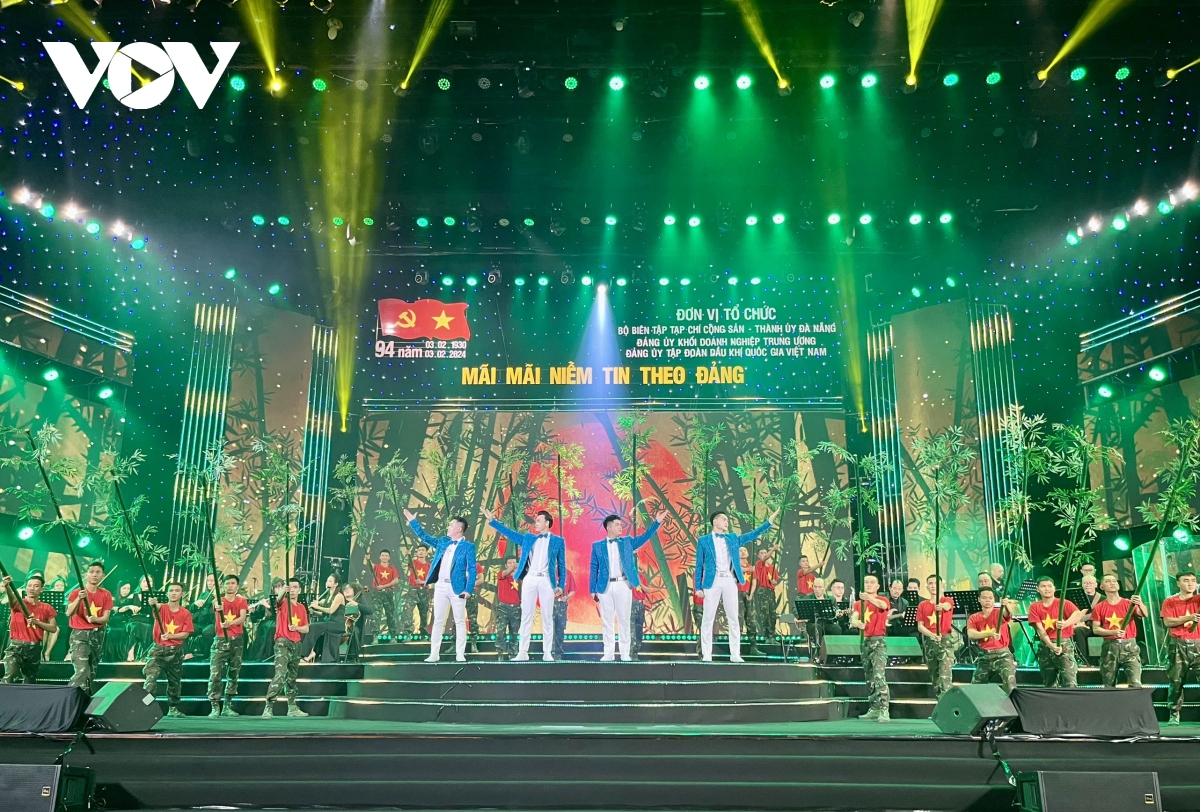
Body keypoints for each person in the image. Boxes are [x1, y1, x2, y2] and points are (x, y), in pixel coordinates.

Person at [484, 507, 568, 661]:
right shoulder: (529, 538)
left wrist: (561, 585)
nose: (536, 523)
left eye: (539, 521)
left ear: (547, 523)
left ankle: (547, 653)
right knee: (526, 615)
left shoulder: (558, 541)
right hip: (530, 578)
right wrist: (492, 521)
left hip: (546, 580)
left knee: (547, 616)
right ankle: (522, 652)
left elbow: (562, 565)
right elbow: (510, 534)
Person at [694, 510, 776, 662]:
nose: (727, 522)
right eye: (724, 519)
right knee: (708, 618)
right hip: (712, 581)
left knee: (733, 618)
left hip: (729, 580)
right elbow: (699, 565)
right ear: (715, 521)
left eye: (727, 520)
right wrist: (697, 587)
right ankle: (706, 654)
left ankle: (735, 654)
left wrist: (768, 523)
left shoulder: (731, 538)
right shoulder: (704, 540)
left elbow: (751, 535)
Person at [589, 511, 666, 662]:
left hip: (623, 584)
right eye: (617, 524)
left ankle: (625, 653)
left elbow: (645, 537)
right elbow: (593, 567)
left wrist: (656, 522)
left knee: (624, 620)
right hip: (604, 587)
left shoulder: (627, 542)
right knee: (607, 621)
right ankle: (609, 653)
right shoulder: (597, 546)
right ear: (608, 528)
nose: (620, 527)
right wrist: (592, 589)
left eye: (621, 524)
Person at [404, 510, 479, 663]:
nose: (448, 527)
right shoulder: (444, 542)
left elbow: (472, 569)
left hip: (457, 588)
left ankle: (460, 654)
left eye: (451, 525)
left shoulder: (468, 546)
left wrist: (468, 589)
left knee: (459, 621)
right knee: (438, 620)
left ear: (459, 529)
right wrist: (413, 522)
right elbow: (425, 537)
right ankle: (434, 654)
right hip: (440, 586)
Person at [143, 582, 193, 718]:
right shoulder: (162, 608)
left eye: (177, 591)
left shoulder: (185, 613)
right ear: (167, 594)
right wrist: (153, 603)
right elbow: (155, 605)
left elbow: (185, 634)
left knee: (174, 682)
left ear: (182, 594)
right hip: (158, 650)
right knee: (150, 681)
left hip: (175, 651)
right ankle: (145, 708)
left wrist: (170, 636)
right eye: (171, 591)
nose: (174, 593)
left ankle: (173, 708)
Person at [263, 578, 310, 718]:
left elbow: (306, 628)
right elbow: (278, 599)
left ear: (299, 590)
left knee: (292, 677)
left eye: (295, 587)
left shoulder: (301, 607)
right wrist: (284, 590)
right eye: (291, 587)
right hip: (283, 642)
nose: (293, 590)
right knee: (280, 674)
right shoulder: (283, 603)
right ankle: (269, 706)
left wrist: (296, 628)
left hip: (296, 643)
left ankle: (292, 707)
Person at [1025, 576, 1085, 688]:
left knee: (1069, 681)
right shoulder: (1034, 606)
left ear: (1054, 588)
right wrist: (1051, 645)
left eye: (1049, 586)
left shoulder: (1064, 603)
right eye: (1043, 586)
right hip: (1045, 645)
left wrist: (1065, 623)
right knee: (1049, 683)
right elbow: (1040, 630)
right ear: (1037, 589)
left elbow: (1077, 614)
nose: (1046, 589)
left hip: (1064, 644)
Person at [66, 561, 113, 694]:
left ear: (103, 575)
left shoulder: (106, 594)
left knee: (92, 671)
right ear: (86, 574)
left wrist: (95, 619)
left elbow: (105, 618)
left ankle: (85, 699)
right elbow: (69, 612)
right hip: (80, 635)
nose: (94, 575)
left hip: (98, 635)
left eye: (98, 572)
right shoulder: (76, 593)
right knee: (82, 670)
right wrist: (79, 599)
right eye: (91, 572)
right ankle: (70, 697)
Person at [1091, 574, 1146, 689]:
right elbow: (1096, 629)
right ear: (1101, 587)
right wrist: (1112, 633)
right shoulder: (1099, 607)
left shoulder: (1128, 603)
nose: (1112, 583)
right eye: (1108, 581)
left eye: (1114, 581)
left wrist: (1140, 603)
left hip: (1130, 647)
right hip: (1110, 647)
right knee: (1108, 684)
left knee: (1135, 683)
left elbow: (1144, 614)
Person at [1160, 570, 1200, 725]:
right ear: (1178, 583)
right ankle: (1174, 714)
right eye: (1186, 580)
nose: (1190, 583)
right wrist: (1189, 617)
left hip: (1198, 643)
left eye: (1193, 580)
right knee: (1176, 681)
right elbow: (1168, 622)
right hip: (1178, 644)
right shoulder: (1170, 601)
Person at [1, 573, 57, 683]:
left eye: (36, 586)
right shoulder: (18, 603)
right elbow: (12, 599)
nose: (32, 588)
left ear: (42, 589)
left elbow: (53, 628)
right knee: (11, 675)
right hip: (17, 647)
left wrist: (37, 622)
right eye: (29, 585)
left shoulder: (47, 608)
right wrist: (8, 586)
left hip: (34, 648)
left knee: (30, 680)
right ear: (26, 587)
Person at [850, 573, 891, 722]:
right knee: (870, 677)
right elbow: (854, 618)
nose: (868, 584)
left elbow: (883, 606)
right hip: (865, 641)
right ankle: (874, 708)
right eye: (866, 582)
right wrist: (857, 623)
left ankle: (884, 709)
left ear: (877, 586)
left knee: (879, 676)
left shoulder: (882, 599)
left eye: (872, 582)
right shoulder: (858, 603)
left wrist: (869, 598)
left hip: (878, 641)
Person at [208, 574, 249, 717]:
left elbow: (242, 618)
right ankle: (214, 705)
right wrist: (218, 607)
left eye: (233, 583)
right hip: (220, 640)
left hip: (237, 640)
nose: (230, 586)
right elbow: (216, 606)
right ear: (223, 586)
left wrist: (229, 623)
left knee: (233, 673)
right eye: (227, 583)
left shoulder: (242, 601)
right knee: (215, 674)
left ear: (237, 586)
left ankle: (227, 706)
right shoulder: (218, 600)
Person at [916, 575, 960, 698]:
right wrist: (932, 635)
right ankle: (940, 703)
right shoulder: (922, 605)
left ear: (942, 585)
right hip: (930, 642)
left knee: (945, 675)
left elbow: (947, 606)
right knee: (934, 676)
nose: (933, 586)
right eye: (930, 583)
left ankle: (947, 704)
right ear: (927, 586)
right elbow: (920, 626)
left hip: (945, 641)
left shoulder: (947, 600)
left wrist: (941, 606)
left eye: (936, 583)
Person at [967, 587, 1018, 693]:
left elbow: (1009, 613)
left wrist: (1006, 604)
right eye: (984, 598)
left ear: (994, 599)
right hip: (984, 656)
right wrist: (989, 633)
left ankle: (1011, 703)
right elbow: (971, 634)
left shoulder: (999, 613)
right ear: (979, 599)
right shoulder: (974, 617)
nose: (988, 600)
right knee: (975, 688)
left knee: (1010, 682)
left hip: (1002, 655)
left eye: (990, 598)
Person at [303, 573, 346, 663]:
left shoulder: (339, 596)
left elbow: (331, 611)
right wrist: (313, 611)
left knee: (312, 627)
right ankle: (312, 652)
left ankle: (306, 654)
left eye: (330, 581)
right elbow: (323, 614)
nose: (327, 583)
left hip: (337, 624)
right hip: (329, 623)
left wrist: (317, 606)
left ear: (336, 584)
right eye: (327, 581)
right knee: (311, 626)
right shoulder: (328, 596)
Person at [749, 546, 782, 646]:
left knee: (772, 614)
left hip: (771, 591)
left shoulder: (772, 567)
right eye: (762, 553)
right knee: (765, 614)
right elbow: (765, 559)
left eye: (765, 552)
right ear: (758, 555)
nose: (764, 554)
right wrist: (772, 550)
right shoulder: (759, 564)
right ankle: (767, 636)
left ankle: (772, 635)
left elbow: (776, 581)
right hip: (762, 590)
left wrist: (774, 582)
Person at [493, 557, 521, 659]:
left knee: (514, 633)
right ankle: (500, 653)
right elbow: (506, 572)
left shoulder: (520, 577)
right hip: (503, 608)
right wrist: (514, 567)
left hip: (516, 608)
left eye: (514, 562)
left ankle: (512, 654)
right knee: (501, 632)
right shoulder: (501, 574)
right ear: (506, 565)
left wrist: (519, 569)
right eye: (510, 563)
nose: (512, 564)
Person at [370, 550, 401, 639]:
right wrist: (367, 559)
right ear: (380, 557)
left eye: (386, 555)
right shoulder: (376, 566)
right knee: (375, 615)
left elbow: (396, 581)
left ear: (389, 557)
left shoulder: (392, 568)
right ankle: (375, 636)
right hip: (377, 594)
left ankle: (393, 636)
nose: (384, 557)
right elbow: (370, 566)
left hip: (388, 593)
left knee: (390, 614)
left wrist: (384, 586)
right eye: (382, 555)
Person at [402, 546, 432, 636]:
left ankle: (423, 631)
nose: (421, 552)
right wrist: (408, 555)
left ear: (426, 553)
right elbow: (410, 562)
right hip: (413, 589)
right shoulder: (414, 562)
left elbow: (432, 579)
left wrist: (422, 582)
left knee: (424, 612)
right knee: (408, 609)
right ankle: (408, 631)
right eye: (419, 550)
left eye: (423, 550)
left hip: (424, 591)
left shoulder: (429, 566)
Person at [189, 574, 218, 661]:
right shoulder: (204, 594)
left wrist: (215, 601)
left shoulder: (221, 595)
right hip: (199, 623)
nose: (209, 583)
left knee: (207, 632)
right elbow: (191, 609)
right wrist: (195, 604)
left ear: (219, 582)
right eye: (208, 580)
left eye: (212, 581)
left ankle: (207, 656)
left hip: (212, 623)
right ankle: (187, 653)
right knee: (184, 629)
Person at [1074, 574, 1102, 665]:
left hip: (1098, 626)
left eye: (1090, 583)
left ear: (1096, 585)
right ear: (1082, 585)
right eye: (1085, 583)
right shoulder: (1075, 598)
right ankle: (1081, 660)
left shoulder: (1103, 599)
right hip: (1080, 626)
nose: (1088, 585)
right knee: (1077, 630)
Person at [105, 582, 135, 662]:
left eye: (128, 589)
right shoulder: (112, 599)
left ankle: (125, 657)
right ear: (119, 588)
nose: (126, 591)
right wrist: (128, 607)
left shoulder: (131, 599)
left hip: (125, 623)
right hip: (113, 623)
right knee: (111, 632)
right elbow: (116, 610)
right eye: (124, 588)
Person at [552, 568, 577, 658]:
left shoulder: (567, 573)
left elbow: (573, 590)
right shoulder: (548, 571)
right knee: (549, 628)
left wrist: (566, 597)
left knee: (560, 628)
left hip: (562, 604)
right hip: (550, 603)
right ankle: (548, 651)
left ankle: (558, 652)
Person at [737, 548, 758, 653]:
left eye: (745, 550)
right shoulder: (736, 565)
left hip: (748, 594)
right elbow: (738, 571)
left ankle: (753, 647)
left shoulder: (751, 567)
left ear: (748, 553)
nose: (743, 552)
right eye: (740, 551)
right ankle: (737, 649)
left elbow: (754, 582)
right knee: (738, 621)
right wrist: (749, 569)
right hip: (738, 594)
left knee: (751, 621)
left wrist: (751, 594)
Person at [630, 584, 648, 659]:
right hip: (630, 604)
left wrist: (639, 583)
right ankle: (631, 654)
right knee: (632, 630)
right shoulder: (627, 578)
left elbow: (648, 590)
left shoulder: (642, 578)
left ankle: (635, 653)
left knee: (639, 630)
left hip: (640, 604)